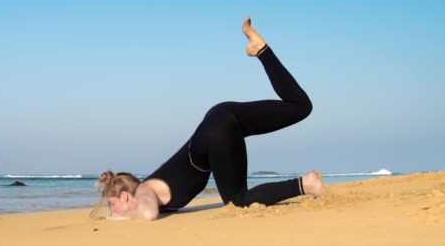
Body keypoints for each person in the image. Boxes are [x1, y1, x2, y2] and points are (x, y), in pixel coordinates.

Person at [90, 16, 323, 221]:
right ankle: (261, 49)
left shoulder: (143, 192)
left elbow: (148, 214)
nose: (114, 211)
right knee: (300, 107)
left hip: (216, 130)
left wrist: (123, 219)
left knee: (238, 201)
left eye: (113, 206)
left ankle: (306, 184)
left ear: (124, 196)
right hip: (220, 116)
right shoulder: (152, 188)